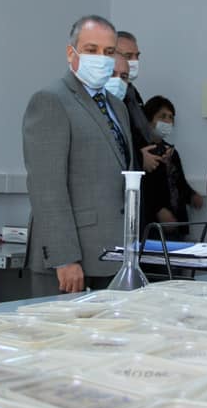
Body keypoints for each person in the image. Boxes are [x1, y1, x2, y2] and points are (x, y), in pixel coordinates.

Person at [22, 15, 133, 296]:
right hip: (71, 261)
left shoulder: (117, 107)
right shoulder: (51, 100)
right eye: (91, 49)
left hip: (114, 255)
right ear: (71, 53)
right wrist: (64, 258)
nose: (101, 58)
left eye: (109, 52)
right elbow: (47, 187)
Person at [140, 95, 204, 239]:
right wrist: (158, 210)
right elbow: (145, 187)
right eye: (162, 116)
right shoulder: (142, 153)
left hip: (177, 223)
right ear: (149, 119)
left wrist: (192, 196)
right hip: (152, 226)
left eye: (170, 117)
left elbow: (179, 183)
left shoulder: (171, 152)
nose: (167, 121)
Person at [116, 30, 167, 173]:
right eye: (128, 56)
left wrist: (160, 148)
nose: (134, 61)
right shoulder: (112, 91)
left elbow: (141, 131)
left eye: (137, 56)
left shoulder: (133, 93)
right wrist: (139, 158)